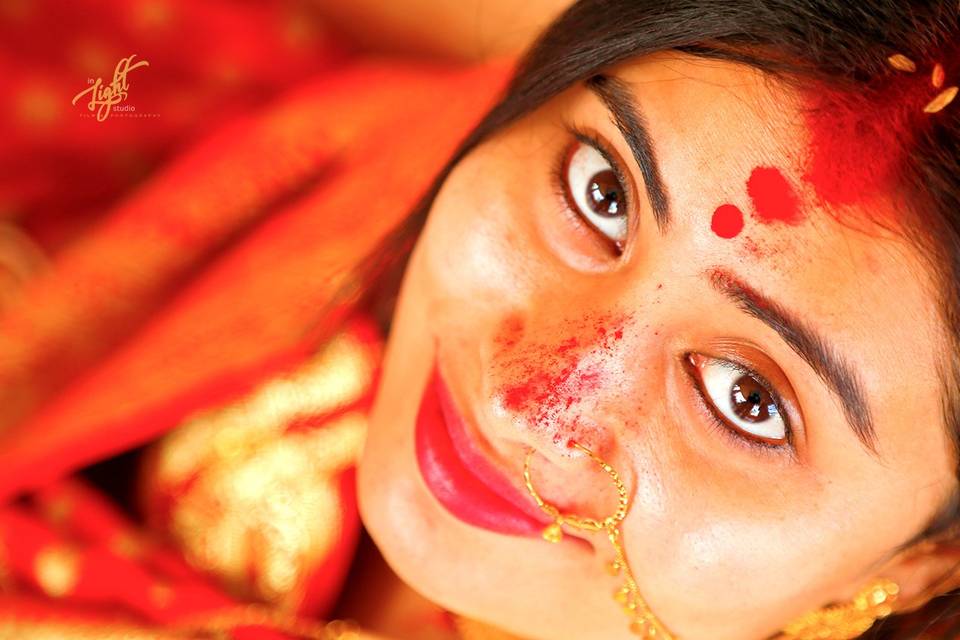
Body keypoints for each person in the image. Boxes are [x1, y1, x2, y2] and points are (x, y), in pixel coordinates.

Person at [4, 1, 960, 639]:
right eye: (603, 194)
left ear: (926, 561)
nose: (524, 400)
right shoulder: (331, 163)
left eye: (747, 397)